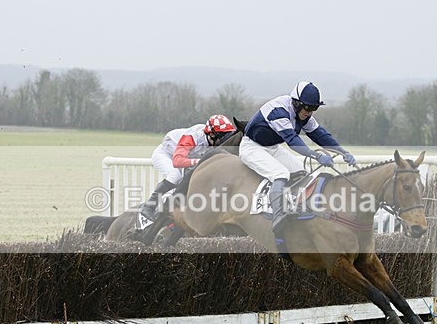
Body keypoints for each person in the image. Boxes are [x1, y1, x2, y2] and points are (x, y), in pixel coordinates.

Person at [239, 81, 356, 238]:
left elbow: (320, 134)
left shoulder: (303, 115)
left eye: (314, 108)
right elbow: (293, 141)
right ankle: (278, 217)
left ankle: (298, 207)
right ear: (296, 103)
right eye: (308, 108)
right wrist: (316, 156)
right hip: (252, 147)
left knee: (302, 171)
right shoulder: (278, 112)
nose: (310, 112)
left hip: (272, 147)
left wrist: (342, 151)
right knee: (280, 173)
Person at [137, 114, 236, 229]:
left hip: (186, 157)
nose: (225, 141)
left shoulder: (212, 139)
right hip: (166, 155)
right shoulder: (192, 137)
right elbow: (178, 161)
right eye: (223, 137)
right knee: (176, 176)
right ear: (212, 134)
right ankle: (149, 206)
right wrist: (199, 161)